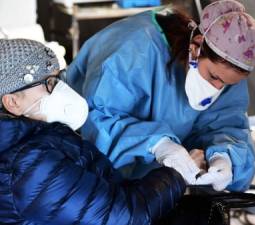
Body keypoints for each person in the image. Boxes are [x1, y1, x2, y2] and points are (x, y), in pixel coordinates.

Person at [67, 0, 255, 191]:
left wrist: (226, 156)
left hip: (157, 191)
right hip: (93, 183)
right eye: (213, 76)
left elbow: (227, 124)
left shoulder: (225, 72)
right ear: (196, 48)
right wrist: (156, 144)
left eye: (226, 84)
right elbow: (97, 121)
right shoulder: (133, 52)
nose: (217, 87)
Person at [0, 38, 186, 225]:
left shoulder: (40, 138)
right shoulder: (27, 166)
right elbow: (124, 219)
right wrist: (176, 175)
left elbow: (106, 196)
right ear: (12, 102)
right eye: (49, 83)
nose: (61, 90)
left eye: (60, 78)